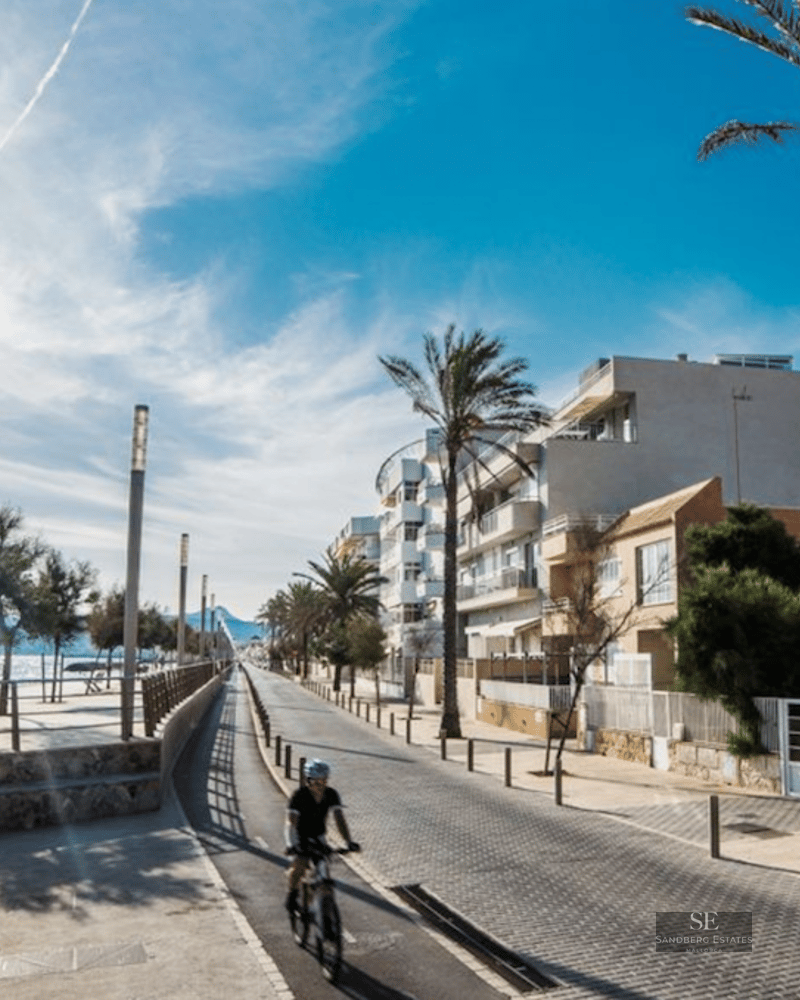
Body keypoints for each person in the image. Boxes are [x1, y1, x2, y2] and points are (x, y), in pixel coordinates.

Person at [284, 758, 359, 913]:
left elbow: (339, 818)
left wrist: (348, 841)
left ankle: (324, 915)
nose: (322, 785)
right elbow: (291, 823)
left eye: (324, 780)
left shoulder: (331, 794)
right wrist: (292, 846)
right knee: (300, 864)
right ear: (309, 781)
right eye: (318, 782)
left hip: (319, 836)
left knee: (325, 877)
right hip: (299, 835)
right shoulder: (299, 795)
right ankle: (292, 895)